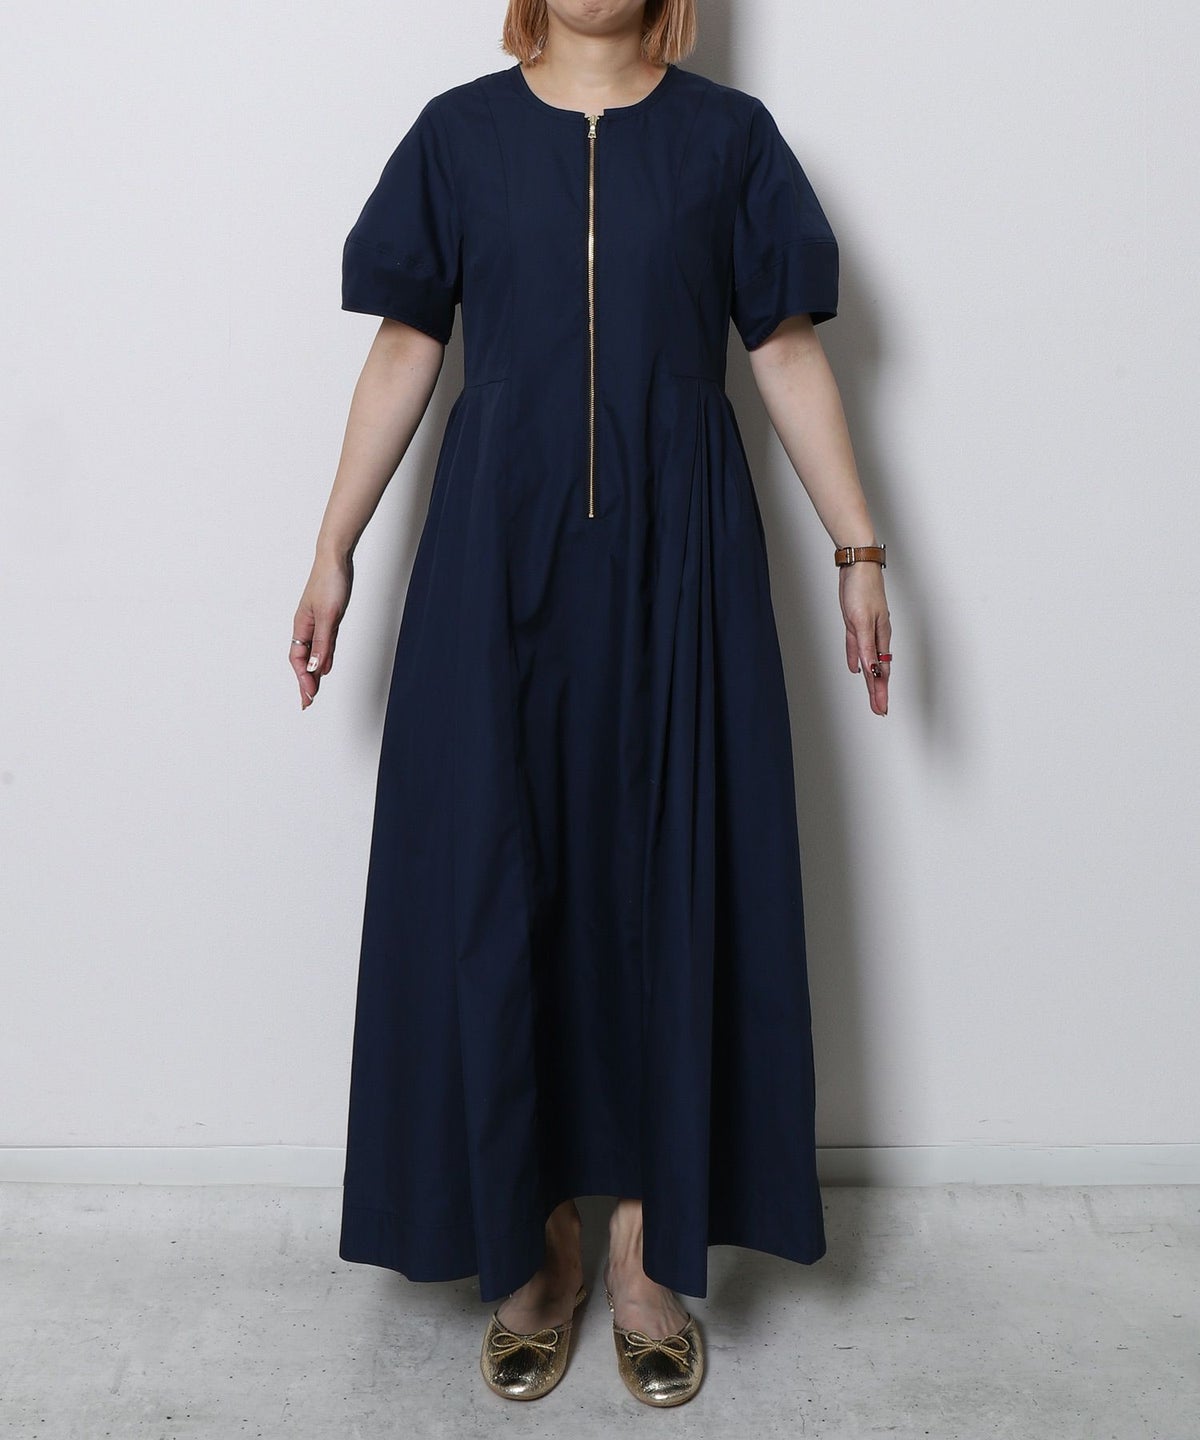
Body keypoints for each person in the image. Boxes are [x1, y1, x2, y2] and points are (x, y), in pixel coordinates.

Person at [289, 0, 891, 1410]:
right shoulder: (456, 137)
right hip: (493, 567)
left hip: (685, 569)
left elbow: (783, 346)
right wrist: (333, 547)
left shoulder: (733, 141)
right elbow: (407, 346)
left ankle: (644, 1251)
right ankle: (535, 1240)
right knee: (503, 886)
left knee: (672, 884)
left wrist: (860, 550)